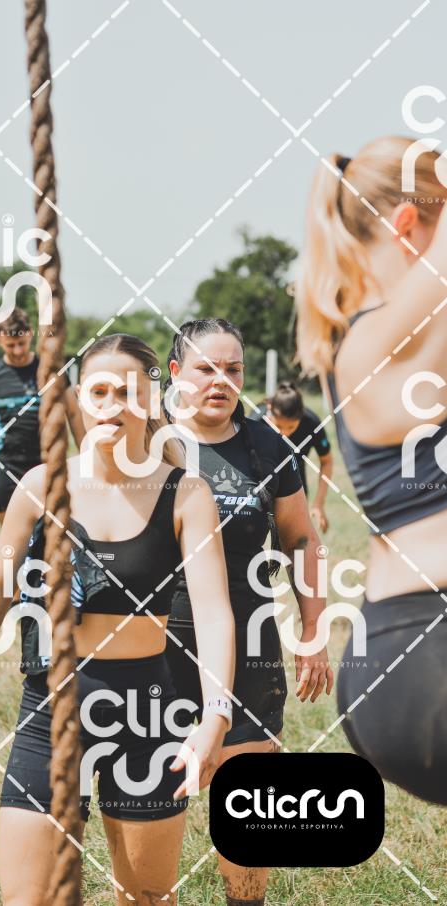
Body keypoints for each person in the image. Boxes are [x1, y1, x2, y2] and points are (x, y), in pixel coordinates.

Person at [0, 333, 236, 905]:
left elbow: (215, 615)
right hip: (50, 710)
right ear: (78, 400)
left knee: (147, 898)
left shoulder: (185, 494)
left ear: (153, 400)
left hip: (148, 716)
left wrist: (215, 716)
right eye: (99, 391)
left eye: (129, 392)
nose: (113, 404)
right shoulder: (38, 487)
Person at [296, 136, 447, 805]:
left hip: (405, 650)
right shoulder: (374, 345)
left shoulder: (381, 341)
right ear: (408, 224)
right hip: (426, 648)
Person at [163, 318, 334, 906]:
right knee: (150, 800)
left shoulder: (267, 446)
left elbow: (301, 539)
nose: (221, 381)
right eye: (206, 368)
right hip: (153, 645)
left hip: (248, 643)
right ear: (176, 372)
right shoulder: (148, 441)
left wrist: (313, 630)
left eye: (232, 369)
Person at [0, 306, 85, 523]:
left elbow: (74, 414)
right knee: (12, 534)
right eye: (10, 345)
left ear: (30, 334)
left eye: (21, 343)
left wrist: (87, 458)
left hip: (48, 463)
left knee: (52, 531)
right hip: (7, 467)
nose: (17, 351)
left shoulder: (52, 372)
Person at [253, 381, 333, 532]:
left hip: (295, 482)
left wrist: (318, 503)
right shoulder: (256, 420)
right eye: (279, 426)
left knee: (293, 535)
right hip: (260, 482)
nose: (284, 433)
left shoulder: (312, 423)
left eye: (291, 427)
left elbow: (326, 461)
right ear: (270, 409)